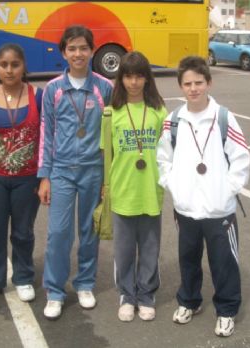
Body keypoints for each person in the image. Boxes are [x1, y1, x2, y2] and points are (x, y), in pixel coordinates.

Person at [156, 56, 250, 337]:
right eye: (187, 83)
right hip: (186, 208)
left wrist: (227, 190)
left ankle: (226, 310)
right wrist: (175, 186)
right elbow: (163, 159)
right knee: (188, 258)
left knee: (224, 262)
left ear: (209, 83)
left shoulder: (223, 118)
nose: (193, 88)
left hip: (218, 209)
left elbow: (241, 158)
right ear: (180, 86)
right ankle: (189, 300)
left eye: (199, 82)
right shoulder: (173, 121)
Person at [37, 25, 113, 320]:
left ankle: (85, 284)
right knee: (58, 233)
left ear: (92, 50)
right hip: (62, 172)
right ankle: (55, 291)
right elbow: (47, 133)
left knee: (89, 231)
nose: (78, 53)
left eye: (83, 48)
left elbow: (110, 135)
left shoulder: (104, 87)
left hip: (94, 170)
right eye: (72, 48)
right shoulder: (54, 89)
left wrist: (108, 178)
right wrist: (45, 175)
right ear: (63, 53)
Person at [0, 43, 43, 304]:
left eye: (15, 64)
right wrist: (3, 157)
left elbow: (46, 137)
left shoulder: (38, 96)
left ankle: (23, 277)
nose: (10, 70)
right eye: (4, 65)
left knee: (23, 232)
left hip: (28, 178)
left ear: (24, 66)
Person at [102, 51, 168, 322]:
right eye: (128, 76)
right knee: (124, 249)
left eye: (139, 76)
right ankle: (127, 295)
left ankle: (146, 294)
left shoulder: (159, 111)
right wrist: (105, 186)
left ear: (147, 79)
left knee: (150, 246)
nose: (134, 82)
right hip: (123, 190)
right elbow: (107, 155)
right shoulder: (111, 112)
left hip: (151, 190)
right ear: (121, 79)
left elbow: (168, 152)